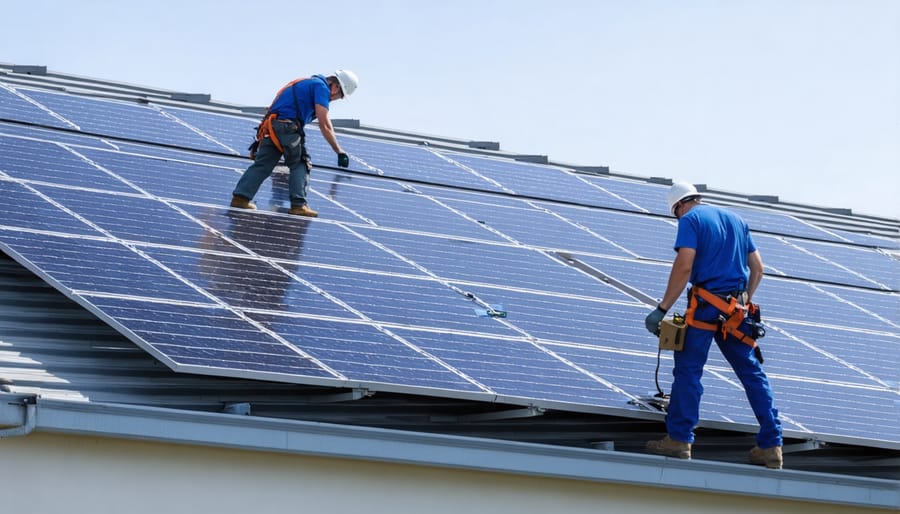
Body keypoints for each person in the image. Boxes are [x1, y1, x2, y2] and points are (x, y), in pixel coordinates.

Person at [643, 181, 783, 469]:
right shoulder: (736, 220)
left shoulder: (690, 219)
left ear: (678, 206)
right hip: (736, 313)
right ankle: (771, 445)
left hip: (705, 309)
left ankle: (680, 440)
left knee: (688, 370)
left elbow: (684, 266)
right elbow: (758, 268)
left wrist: (662, 309)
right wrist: (745, 301)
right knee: (752, 374)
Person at [231, 70, 359, 217]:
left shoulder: (306, 83)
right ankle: (298, 205)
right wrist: (339, 151)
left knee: (263, 164)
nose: (338, 99)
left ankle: (240, 198)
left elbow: (324, 117)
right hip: (287, 128)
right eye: (340, 95)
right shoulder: (322, 88)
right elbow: (324, 124)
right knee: (300, 163)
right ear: (335, 87)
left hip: (272, 126)